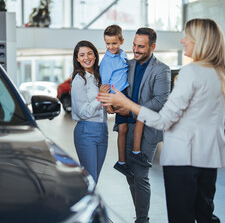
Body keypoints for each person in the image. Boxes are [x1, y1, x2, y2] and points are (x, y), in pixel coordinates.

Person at [98, 18, 225, 223]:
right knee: (205, 213)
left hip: (183, 157)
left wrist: (126, 104)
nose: (182, 41)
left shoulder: (189, 71)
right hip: (209, 157)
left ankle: (141, 219)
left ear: (201, 42)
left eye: (187, 37)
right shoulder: (222, 74)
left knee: (181, 215)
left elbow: (164, 120)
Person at [111, 27, 171, 223]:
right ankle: (140, 215)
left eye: (141, 46)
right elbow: (117, 88)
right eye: (134, 45)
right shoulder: (127, 65)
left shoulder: (162, 70)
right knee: (130, 174)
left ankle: (142, 219)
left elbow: (160, 101)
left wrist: (131, 109)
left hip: (148, 130)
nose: (135, 50)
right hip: (127, 127)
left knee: (141, 175)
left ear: (152, 46)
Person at [99, 25, 150, 179]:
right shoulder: (106, 62)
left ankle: (126, 159)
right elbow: (104, 85)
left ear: (121, 41)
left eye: (114, 43)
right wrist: (108, 105)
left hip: (125, 94)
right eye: (108, 44)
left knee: (125, 128)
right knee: (129, 124)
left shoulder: (122, 55)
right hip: (116, 97)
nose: (111, 47)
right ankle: (130, 156)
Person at [71, 40, 110, 183]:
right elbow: (82, 112)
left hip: (103, 130)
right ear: (77, 59)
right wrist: (100, 97)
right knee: (90, 179)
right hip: (86, 132)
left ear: (95, 55)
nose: (86, 58)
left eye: (89, 53)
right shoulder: (79, 80)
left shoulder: (100, 76)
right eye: (82, 55)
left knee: (95, 178)